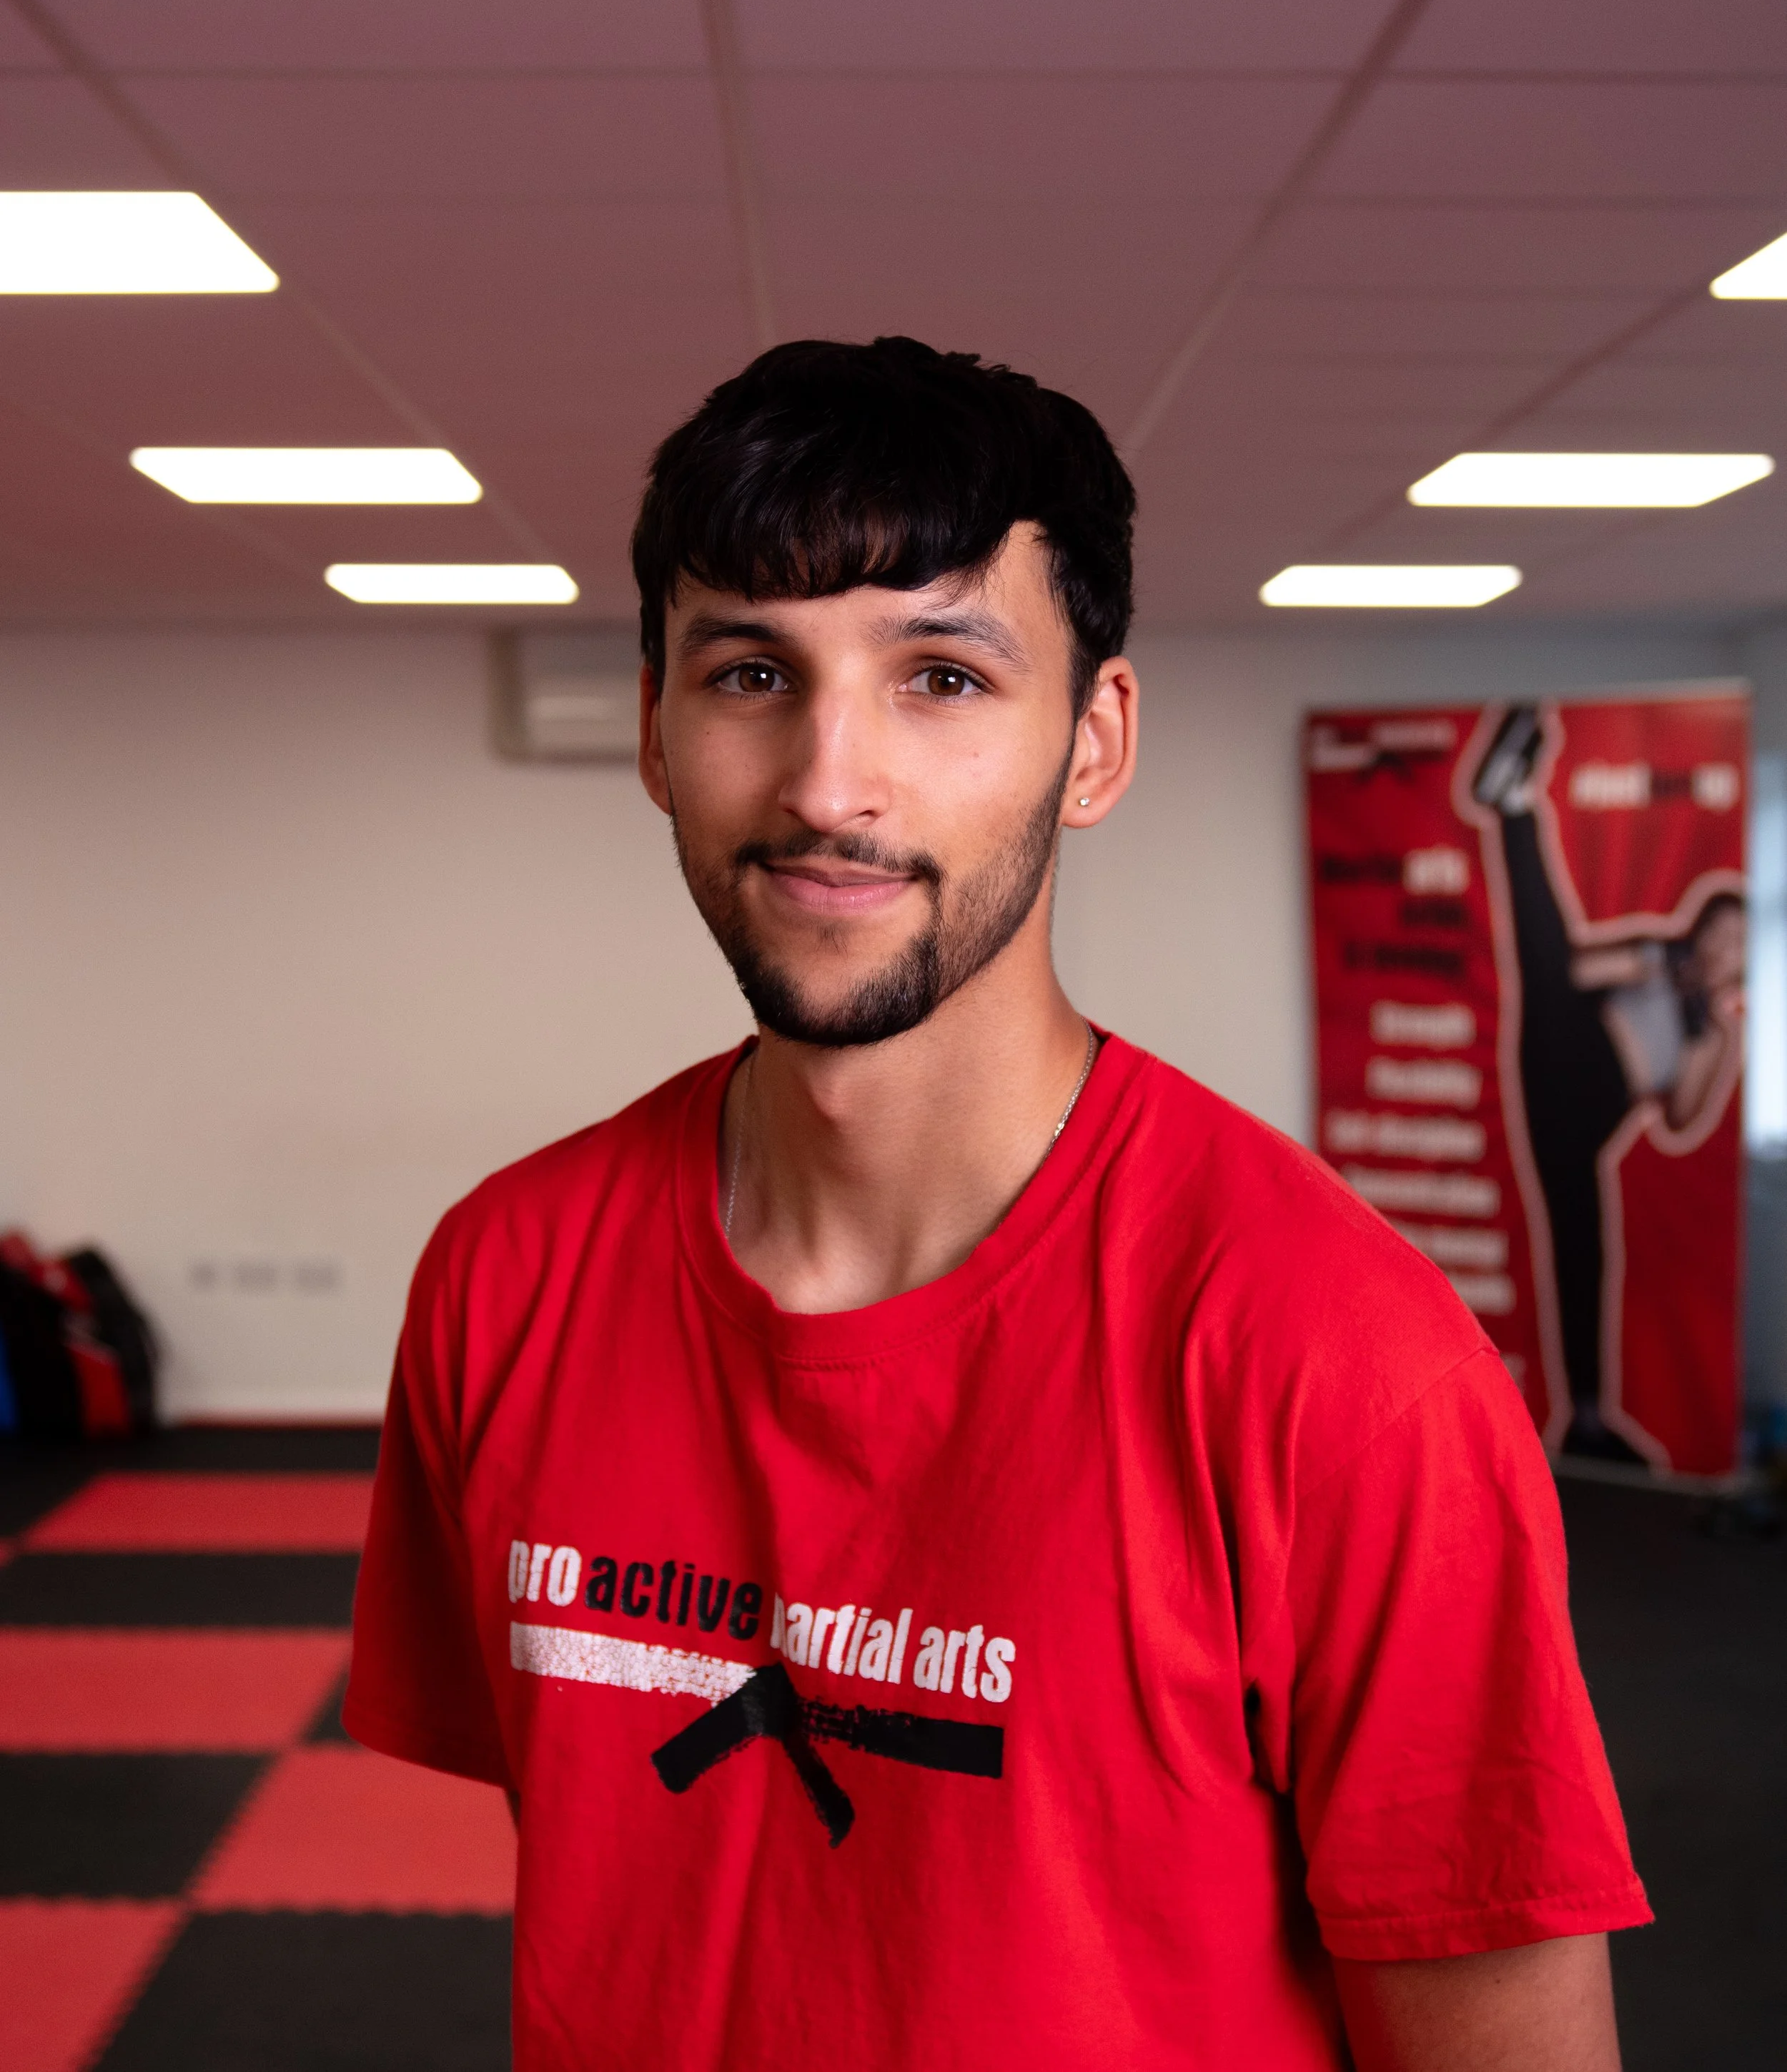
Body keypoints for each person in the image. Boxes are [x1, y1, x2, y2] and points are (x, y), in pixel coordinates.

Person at [346, 338, 1647, 2071]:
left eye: (942, 678)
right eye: (750, 673)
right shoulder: (502, 1275)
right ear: (655, 728)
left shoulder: (1347, 1369)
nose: (828, 783)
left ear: (1092, 744)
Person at [1471, 704, 1746, 1461]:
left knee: (1583, 1242)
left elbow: (1681, 1119)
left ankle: (1586, 1419)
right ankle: (1517, 804)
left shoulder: (1717, 1030)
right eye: (1715, 932)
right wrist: (1653, 964)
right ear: (1699, 932)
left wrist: (1712, 1037)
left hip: (1592, 1113)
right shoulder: (1658, 952)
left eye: (1735, 943)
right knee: (1548, 968)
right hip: (1566, 1045)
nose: (1720, 948)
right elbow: (1573, 971)